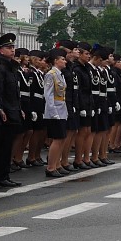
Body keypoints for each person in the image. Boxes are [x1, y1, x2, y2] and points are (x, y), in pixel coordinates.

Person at [42, 47, 70, 176]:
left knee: (62, 139)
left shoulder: (60, 74)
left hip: (61, 110)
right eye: (62, 59)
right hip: (54, 112)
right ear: (55, 60)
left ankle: (57, 164)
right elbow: (48, 96)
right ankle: (51, 167)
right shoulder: (50, 75)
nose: (65, 61)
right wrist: (54, 113)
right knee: (57, 139)